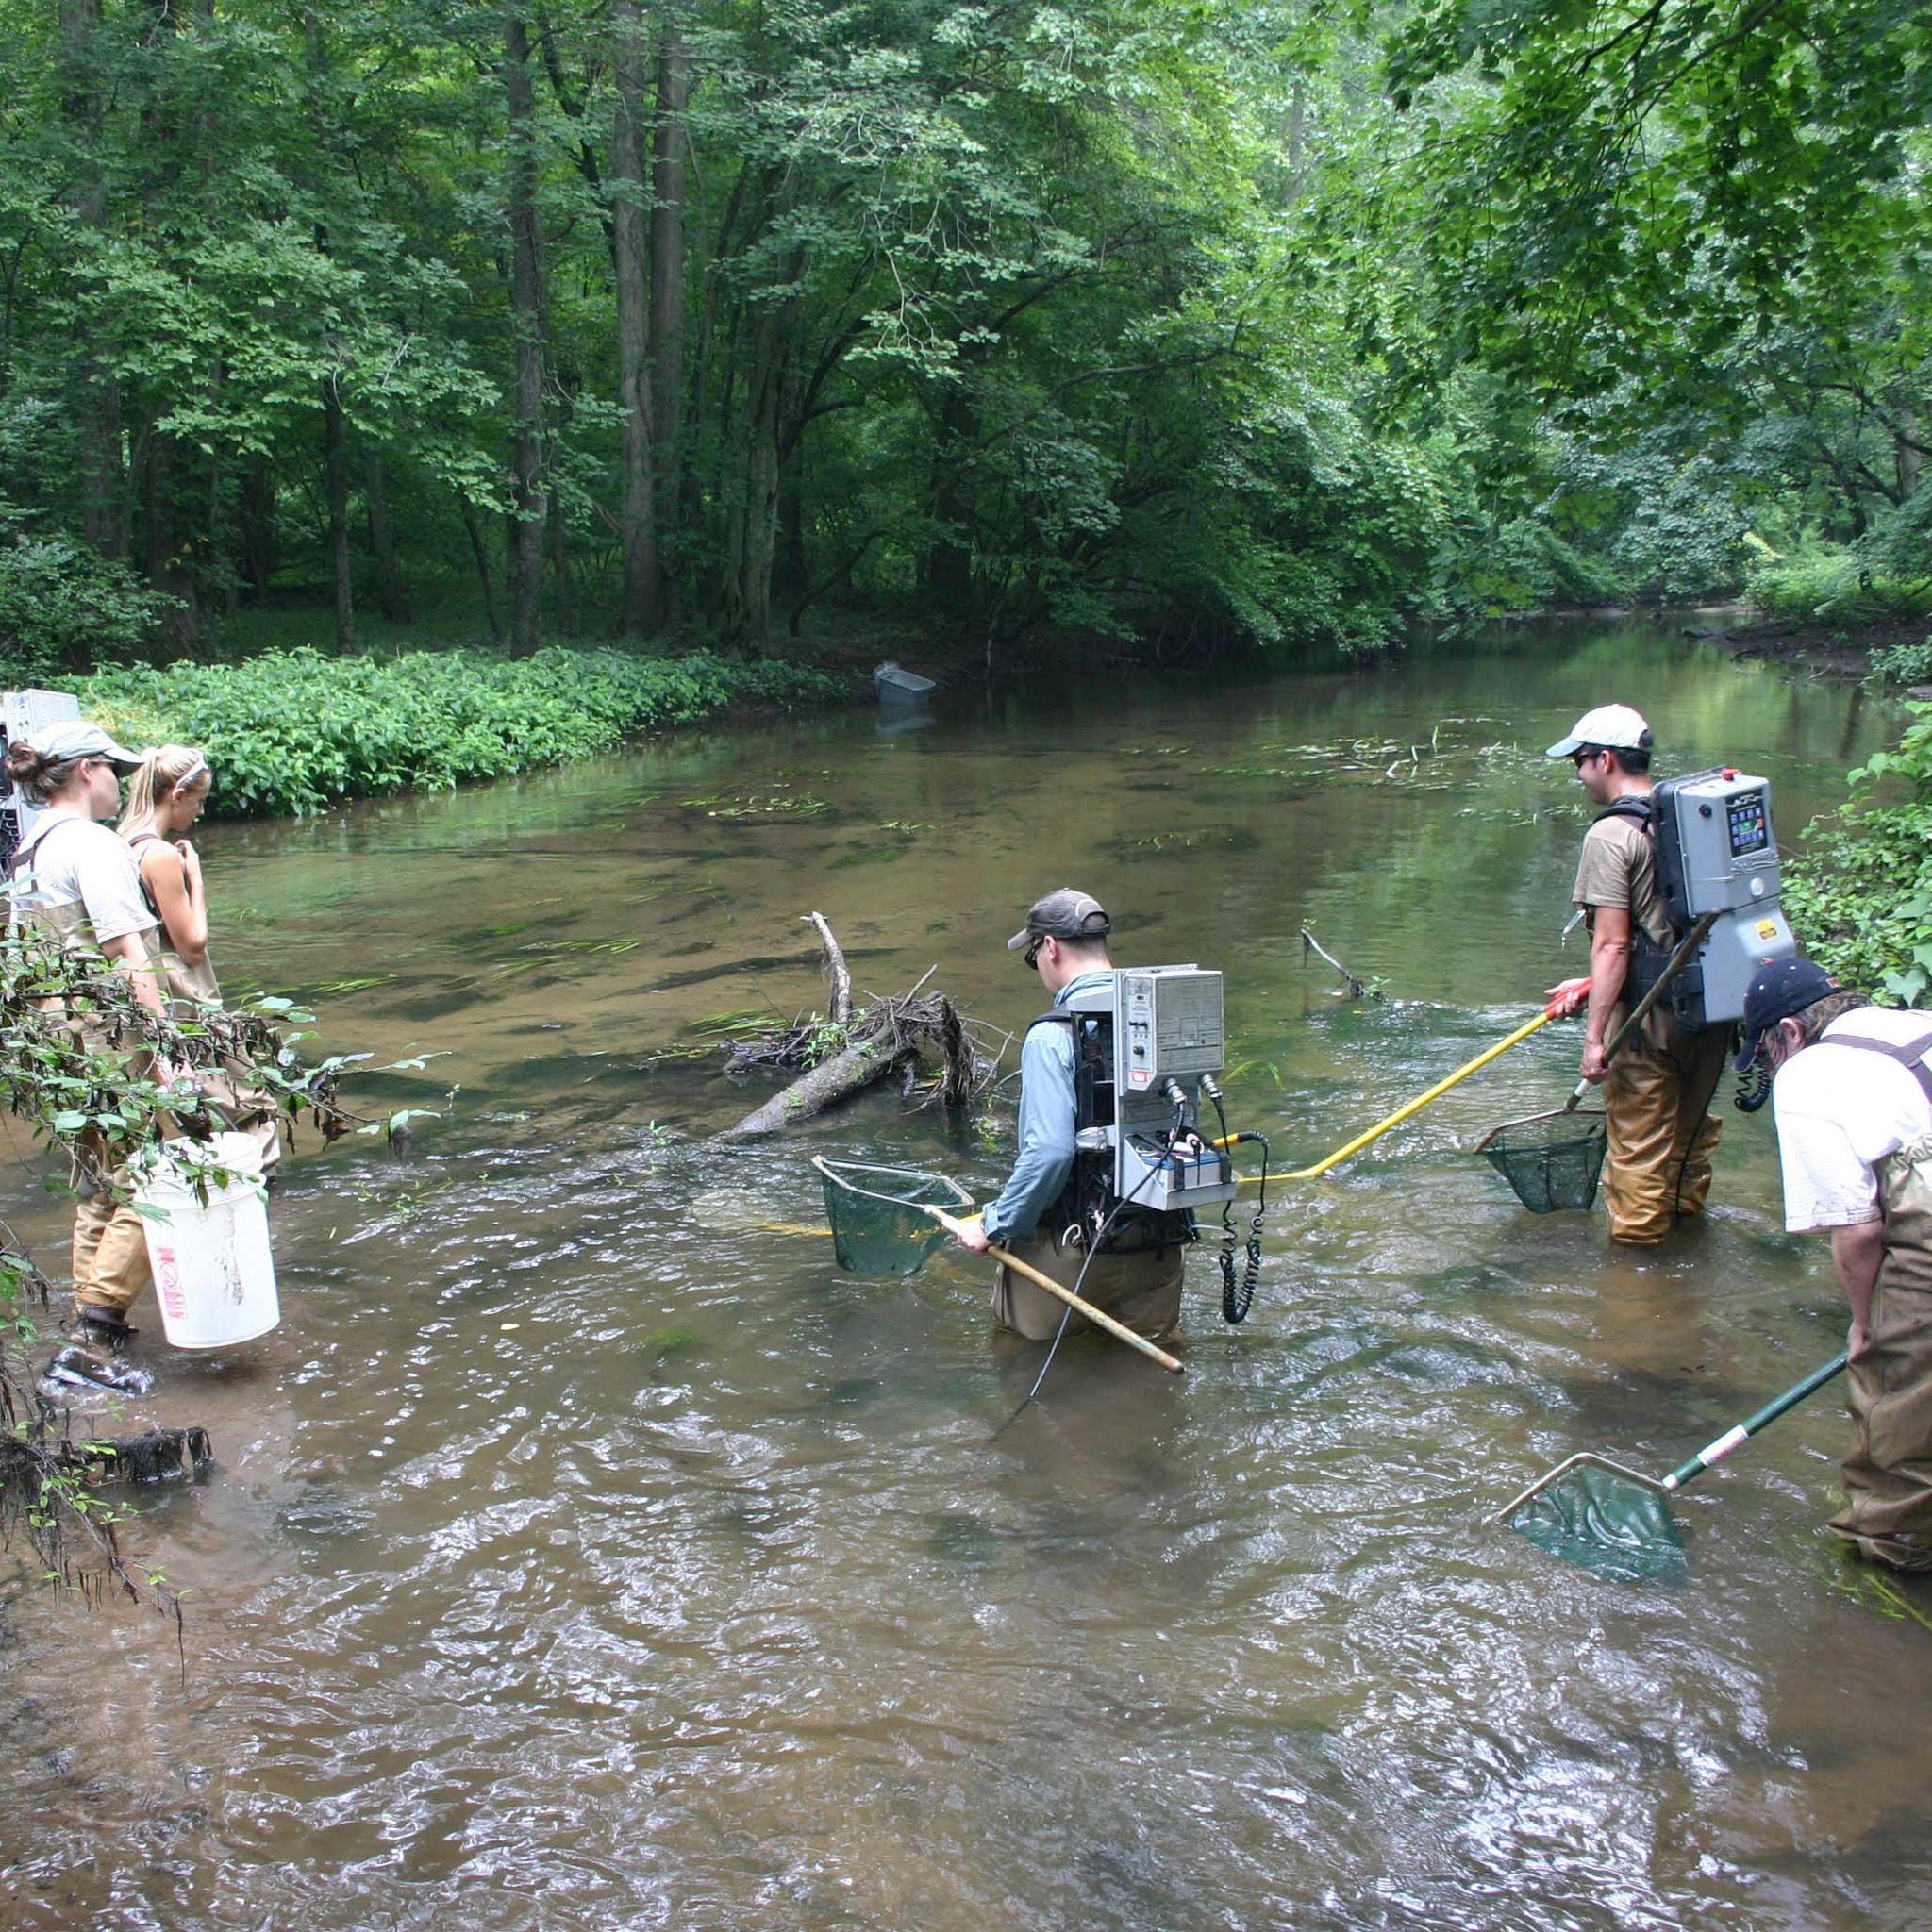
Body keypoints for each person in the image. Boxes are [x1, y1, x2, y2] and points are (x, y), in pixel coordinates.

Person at [1738, 956, 1932, 1572]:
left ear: (1790, 1032)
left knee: (1894, 1399)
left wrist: (1862, 1326)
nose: (1771, 1067)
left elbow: (1858, 1229)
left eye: (1765, 1052)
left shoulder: (1807, 1079)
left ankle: (1888, 1557)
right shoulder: (1910, 1023)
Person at [954, 889, 1187, 1345]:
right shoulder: (1165, 1016)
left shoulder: (1052, 1035)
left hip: (1075, 1249)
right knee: (1145, 1367)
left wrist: (994, 1223)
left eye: (1032, 955)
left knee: (1027, 1360)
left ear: (1050, 948)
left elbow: (1051, 1152)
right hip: (1160, 1242)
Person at [4, 719, 170, 1348]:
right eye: (115, 772)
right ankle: (100, 1320)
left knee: (98, 1183)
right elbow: (128, 954)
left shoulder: (31, 845)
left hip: (52, 1036)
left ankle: (91, 1327)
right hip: (103, 1030)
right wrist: (166, 1054)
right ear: (85, 771)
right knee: (158, 1172)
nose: (121, 786)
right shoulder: (93, 845)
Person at [1542, 703, 1732, 1244]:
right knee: (1689, 1141)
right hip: (1714, 1008)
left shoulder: (1610, 836)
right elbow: (1673, 927)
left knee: (1639, 1152)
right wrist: (1589, 984)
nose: (1578, 775)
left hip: (1651, 1023)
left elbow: (1613, 943)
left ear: (1604, 759)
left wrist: (1594, 1039)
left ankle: (1635, 1290)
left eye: (1579, 761)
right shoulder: (1689, 816)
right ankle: (1689, 1246)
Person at [120, 744, 282, 1172]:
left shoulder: (121, 842)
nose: (201, 811)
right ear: (177, 795)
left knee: (193, 1106)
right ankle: (261, 1197)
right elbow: (191, 944)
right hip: (183, 995)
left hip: (148, 996)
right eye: (200, 800)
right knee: (252, 1103)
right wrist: (195, 877)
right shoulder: (159, 854)